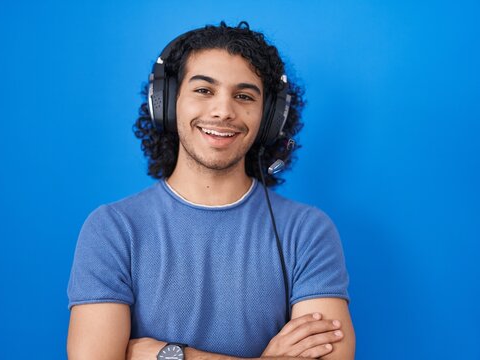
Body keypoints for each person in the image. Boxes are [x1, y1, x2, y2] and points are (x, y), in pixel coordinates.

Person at [66, 22, 355, 360]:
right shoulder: (112, 229)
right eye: (204, 90)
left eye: (244, 96)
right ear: (167, 102)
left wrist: (169, 355)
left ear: (270, 118)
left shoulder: (307, 231)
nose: (223, 111)